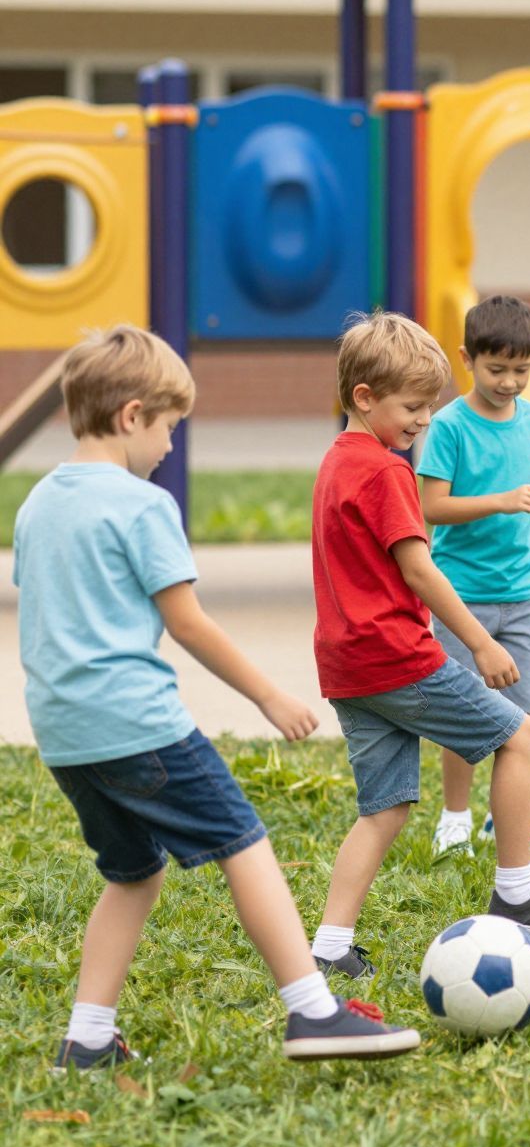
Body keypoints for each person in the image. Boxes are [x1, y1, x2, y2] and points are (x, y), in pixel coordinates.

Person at [17, 327, 417, 1067]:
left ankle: (88, 1038)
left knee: (133, 873)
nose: (171, 446)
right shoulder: (142, 507)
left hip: (65, 734)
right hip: (138, 724)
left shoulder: (38, 504)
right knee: (244, 842)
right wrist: (269, 695)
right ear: (133, 415)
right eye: (170, 426)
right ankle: (313, 1010)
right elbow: (188, 623)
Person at [307, 312, 530, 980]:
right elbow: (419, 567)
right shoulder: (384, 473)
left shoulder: (334, 463)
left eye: (429, 406)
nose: (422, 421)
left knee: (383, 808)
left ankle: (328, 946)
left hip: (347, 665)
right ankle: (518, 893)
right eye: (412, 408)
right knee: (519, 735)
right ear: (364, 398)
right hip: (396, 656)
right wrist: (480, 643)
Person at [417, 295, 530, 860]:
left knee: (523, 714)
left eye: (522, 370)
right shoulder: (450, 426)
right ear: (467, 359)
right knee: (464, 711)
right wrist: (500, 501)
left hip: (522, 594)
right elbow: (431, 507)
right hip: (462, 595)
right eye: (497, 369)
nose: (509, 382)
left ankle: (503, 818)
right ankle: (454, 815)